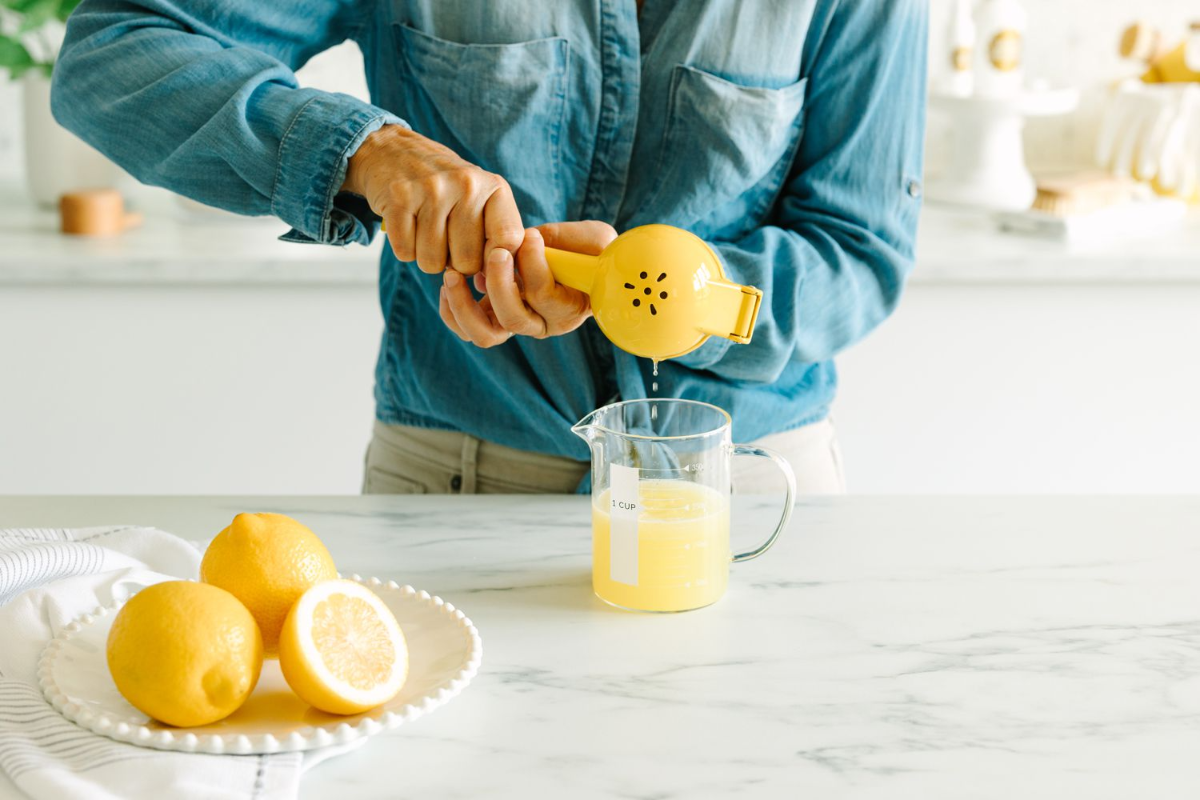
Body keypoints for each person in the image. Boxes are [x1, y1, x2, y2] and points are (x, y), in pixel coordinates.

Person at [52, 1, 926, 495]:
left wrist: (673, 301)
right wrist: (369, 154)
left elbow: (861, 246)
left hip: (754, 490)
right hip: (457, 482)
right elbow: (114, 51)